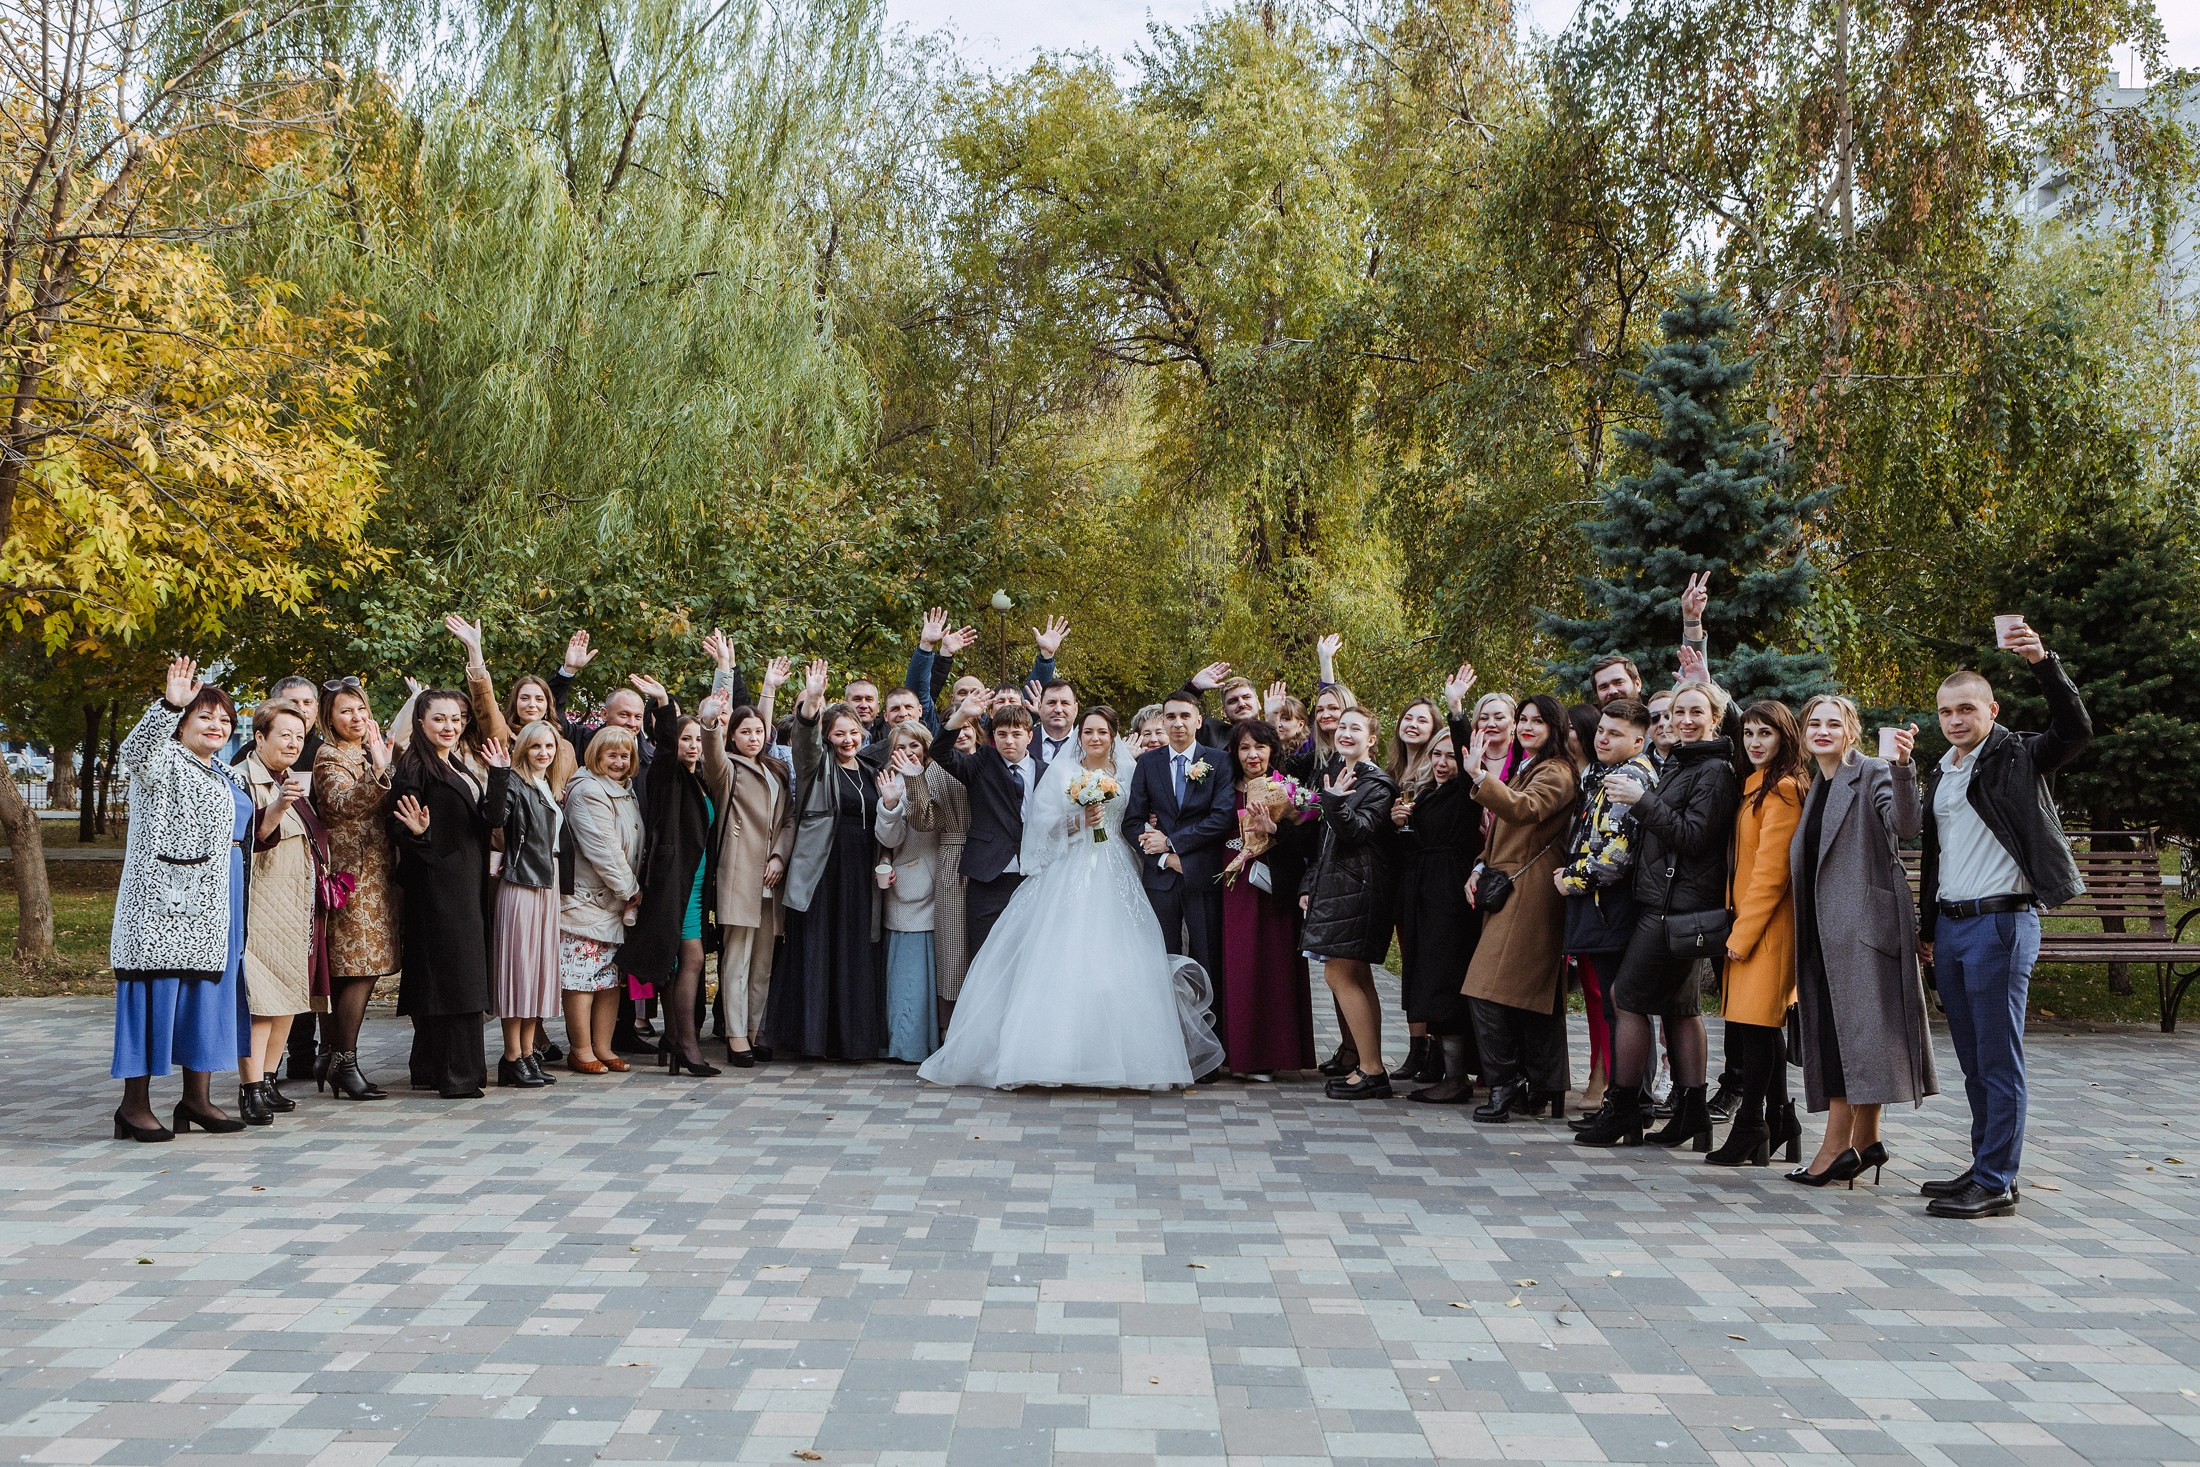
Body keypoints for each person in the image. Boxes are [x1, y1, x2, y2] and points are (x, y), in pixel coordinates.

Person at [917, 703, 1224, 1089]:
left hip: (1116, 864)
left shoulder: (1130, 769)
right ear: (1080, 737)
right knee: (1061, 954)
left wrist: (1150, 829)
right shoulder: (1063, 771)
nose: (1095, 738)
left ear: (1113, 736)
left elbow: (1138, 814)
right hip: (1071, 862)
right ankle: (1050, 1055)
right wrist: (1077, 820)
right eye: (1088, 732)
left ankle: (1126, 1056)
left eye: (1102, 732)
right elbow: (1041, 823)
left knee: (1117, 957)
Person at [1917, 623, 2090, 1219]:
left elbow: (2075, 729)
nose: (1956, 719)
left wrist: (2044, 662)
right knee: (1972, 1057)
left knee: (1998, 1056)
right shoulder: (1942, 772)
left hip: (2002, 923)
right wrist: (1928, 929)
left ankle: (1995, 1181)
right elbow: (1938, 857)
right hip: (1954, 925)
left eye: (1967, 708)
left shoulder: (2018, 754)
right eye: (1946, 711)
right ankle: (1989, 1167)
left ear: (1991, 710)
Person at [1576, 680, 1740, 1151]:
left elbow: (1693, 837)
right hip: (1670, 903)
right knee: (1680, 1009)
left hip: (1675, 908)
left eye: (1693, 712)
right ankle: (1691, 1111)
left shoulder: (1714, 771)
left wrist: (1641, 801)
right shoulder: (1684, 762)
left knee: (1625, 998)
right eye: (1674, 714)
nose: (1681, 721)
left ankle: (1625, 1107)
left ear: (1714, 717)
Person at [1788, 693, 1932, 1188]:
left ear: (1852, 731)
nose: (1822, 730)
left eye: (1834, 723)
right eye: (1815, 723)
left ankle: (1833, 1149)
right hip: (1825, 930)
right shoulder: (1817, 784)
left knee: (1848, 1036)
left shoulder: (1871, 771)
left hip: (1864, 930)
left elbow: (1906, 825)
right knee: (1850, 1034)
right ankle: (1866, 1142)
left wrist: (1904, 768)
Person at [109, 658, 254, 1140]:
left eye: (225, 720)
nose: (217, 726)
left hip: (209, 914)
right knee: (152, 1002)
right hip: (158, 913)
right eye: (204, 716)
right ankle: (133, 1107)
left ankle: (197, 1100)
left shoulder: (222, 775)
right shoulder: (163, 759)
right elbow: (133, 753)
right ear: (182, 723)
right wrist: (166, 705)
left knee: (203, 1004)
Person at [1460, 693, 1578, 1122]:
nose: (1527, 727)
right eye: (1523, 720)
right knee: (1531, 997)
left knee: (1484, 989)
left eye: (1538, 721)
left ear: (1554, 728)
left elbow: (1526, 810)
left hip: (1530, 892)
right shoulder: (1530, 766)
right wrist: (1479, 864)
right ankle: (1544, 1085)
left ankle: (1506, 1084)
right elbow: (1503, 830)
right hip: (1514, 885)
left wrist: (1478, 777)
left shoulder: (1558, 771)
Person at [389, 691, 506, 1099]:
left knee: (457, 976)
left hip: (465, 884)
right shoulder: (414, 769)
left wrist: (500, 773)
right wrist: (420, 836)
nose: (450, 727)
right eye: (440, 719)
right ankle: (457, 1075)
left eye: (456, 719)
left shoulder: (456, 763)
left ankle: (430, 1068)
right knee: (456, 980)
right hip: (436, 889)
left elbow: (492, 819)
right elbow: (400, 827)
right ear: (420, 723)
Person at [767, 661, 886, 1061]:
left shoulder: (871, 769)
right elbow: (804, 741)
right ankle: (813, 1039)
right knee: (820, 949)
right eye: (839, 733)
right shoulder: (817, 766)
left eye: (854, 732)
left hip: (861, 870)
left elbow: (912, 734)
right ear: (828, 736)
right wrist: (813, 700)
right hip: (824, 870)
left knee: (854, 951)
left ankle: (852, 1040)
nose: (848, 739)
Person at [1710, 700, 1807, 1167]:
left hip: (1767, 927)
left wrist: (1741, 935)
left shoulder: (1785, 791)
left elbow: (1772, 875)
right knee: (1759, 1028)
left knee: (1756, 1027)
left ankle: (1752, 1124)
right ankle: (1781, 1119)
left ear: (1784, 736)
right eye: (1748, 733)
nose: (1754, 742)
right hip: (1751, 921)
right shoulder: (1756, 786)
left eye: (1764, 733)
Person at [1555, 699, 1656, 1124]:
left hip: (1610, 909)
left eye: (1614, 734)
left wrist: (1570, 879)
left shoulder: (1629, 775)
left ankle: (1626, 1103)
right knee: (1619, 1006)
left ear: (1638, 740)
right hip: (1603, 909)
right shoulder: (1608, 773)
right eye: (1601, 730)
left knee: (1621, 1007)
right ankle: (1627, 1101)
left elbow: (1616, 857)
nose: (1602, 738)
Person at [1299, 708, 1399, 1100]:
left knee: (1338, 975)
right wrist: (1310, 883)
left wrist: (1336, 801)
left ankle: (1373, 1069)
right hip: (1337, 885)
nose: (1345, 732)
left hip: (1360, 890)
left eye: (1355, 728)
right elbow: (1324, 841)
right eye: (1341, 726)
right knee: (1356, 976)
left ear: (1372, 739)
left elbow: (1357, 832)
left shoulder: (1378, 784)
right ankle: (1367, 1064)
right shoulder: (1340, 775)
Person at [1396, 669, 1486, 1104]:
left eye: (1452, 755)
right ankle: (1440, 1066)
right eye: (1437, 755)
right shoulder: (1429, 792)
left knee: (1443, 979)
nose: (1444, 762)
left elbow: (1468, 761)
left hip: (1448, 892)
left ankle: (1457, 1077)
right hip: (1421, 891)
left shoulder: (1468, 792)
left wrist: (1455, 710)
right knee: (1424, 977)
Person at [1122, 689, 1236, 1023]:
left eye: (1185, 716)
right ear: (1163, 721)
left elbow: (1222, 816)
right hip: (1160, 881)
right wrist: (1161, 857)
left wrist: (1171, 843)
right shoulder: (1148, 763)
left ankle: (1210, 1049)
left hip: (1202, 875)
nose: (1178, 723)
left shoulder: (1218, 761)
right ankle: (1168, 1041)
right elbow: (1132, 821)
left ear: (1198, 721)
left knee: (1206, 959)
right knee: (1162, 961)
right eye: (1170, 716)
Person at [238, 704, 328, 1124]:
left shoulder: (288, 780)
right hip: (261, 906)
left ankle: (269, 1079)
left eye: (299, 736)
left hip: (296, 907)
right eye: (284, 735)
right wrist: (276, 806)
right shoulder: (244, 780)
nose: (293, 743)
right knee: (263, 1002)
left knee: (290, 998)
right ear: (260, 737)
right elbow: (252, 837)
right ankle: (250, 1087)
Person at [311, 679, 396, 1100]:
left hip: (374, 876)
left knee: (355, 971)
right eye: (346, 711)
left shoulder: (364, 751)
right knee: (357, 970)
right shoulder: (329, 757)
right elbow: (341, 806)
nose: (356, 718)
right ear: (329, 718)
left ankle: (332, 1055)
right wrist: (382, 772)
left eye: (361, 709)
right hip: (350, 879)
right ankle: (345, 1061)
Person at [1217, 718, 1315, 1079]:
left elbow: (1307, 842)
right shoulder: (1222, 785)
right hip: (1231, 882)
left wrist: (1275, 829)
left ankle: (1270, 1055)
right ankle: (1238, 1055)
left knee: (1273, 967)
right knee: (1238, 965)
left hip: (1272, 883)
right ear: (1234, 752)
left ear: (1272, 749)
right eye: (1244, 747)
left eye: (1259, 746)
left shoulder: (1286, 789)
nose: (1252, 754)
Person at [624, 711, 720, 1075]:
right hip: (673, 884)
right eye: (686, 739)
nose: (693, 746)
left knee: (681, 962)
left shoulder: (700, 780)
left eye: (697, 739)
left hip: (695, 883)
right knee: (690, 960)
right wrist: (665, 706)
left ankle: (674, 1040)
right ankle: (685, 1043)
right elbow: (663, 749)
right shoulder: (667, 775)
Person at [699, 700, 794, 1066]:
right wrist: (710, 722)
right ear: (732, 736)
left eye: (758, 731)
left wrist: (779, 856)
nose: (753, 738)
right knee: (736, 960)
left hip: (771, 876)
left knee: (763, 962)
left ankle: (756, 1030)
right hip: (739, 874)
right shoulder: (727, 770)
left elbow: (790, 819)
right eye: (744, 732)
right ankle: (736, 1035)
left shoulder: (776, 769)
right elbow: (711, 754)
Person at [933, 692, 1047, 961]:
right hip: (988, 874)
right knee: (985, 954)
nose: (1009, 741)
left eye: (1017, 734)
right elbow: (939, 752)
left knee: (1027, 954)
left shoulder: (1046, 771)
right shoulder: (982, 762)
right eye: (1003, 734)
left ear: (1030, 736)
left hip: (1033, 874)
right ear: (994, 737)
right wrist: (962, 715)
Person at [558, 727, 642, 1074]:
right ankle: (580, 1050)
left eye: (625, 755)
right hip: (588, 902)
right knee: (582, 979)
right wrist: (632, 891)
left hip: (614, 904)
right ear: (596, 755)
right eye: (612, 755)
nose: (619, 762)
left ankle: (603, 1048)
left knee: (609, 981)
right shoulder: (589, 791)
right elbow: (603, 851)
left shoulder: (625, 791)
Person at [491, 721, 565, 1088]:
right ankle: (511, 1056)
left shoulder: (547, 785)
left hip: (547, 881)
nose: (543, 752)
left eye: (549, 746)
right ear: (523, 748)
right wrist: (498, 775)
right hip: (522, 882)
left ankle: (527, 1054)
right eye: (535, 746)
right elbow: (493, 818)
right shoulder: (515, 783)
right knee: (519, 970)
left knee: (536, 971)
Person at [447, 614, 578, 796]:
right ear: (515, 703)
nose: (532, 704)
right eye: (524, 698)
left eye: (539, 699)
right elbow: (486, 705)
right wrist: (475, 649)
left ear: (548, 705)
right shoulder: (504, 738)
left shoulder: (565, 748)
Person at [1383, 696, 1444, 1081]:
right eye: (1408, 717)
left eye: (1423, 720)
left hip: (1430, 875)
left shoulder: (1437, 768)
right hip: (1397, 875)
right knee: (1409, 963)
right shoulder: (1392, 770)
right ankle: (1416, 1046)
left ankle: (1436, 1049)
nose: (1414, 724)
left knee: (1429, 964)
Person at [875, 727, 944, 1062]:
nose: (908, 751)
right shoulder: (892, 784)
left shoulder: (940, 778)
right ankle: (907, 1045)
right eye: (900, 746)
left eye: (914, 744)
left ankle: (935, 1041)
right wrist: (889, 805)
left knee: (937, 972)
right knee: (909, 975)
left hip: (943, 885)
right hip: (908, 888)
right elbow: (888, 839)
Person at [1035, 680, 1080, 766]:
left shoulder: (1086, 744)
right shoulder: (1024, 742)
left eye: (1065, 703)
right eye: (1051, 703)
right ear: (1040, 708)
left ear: (1075, 709)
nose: (1058, 710)